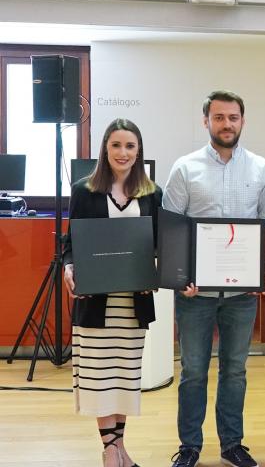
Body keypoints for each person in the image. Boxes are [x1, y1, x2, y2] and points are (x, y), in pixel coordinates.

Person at [163, 90, 265, 467]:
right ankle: (190, 446)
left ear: (242, 121)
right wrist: (181, 276)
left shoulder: (261, 169)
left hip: (241, 294)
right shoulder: (185, 168)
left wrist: (262, 264)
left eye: (233, 117)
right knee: (193, 370)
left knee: (235, 369)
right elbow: (171, 227)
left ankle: (232, 444)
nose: (226, 124)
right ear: (206, 121)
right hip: (195, 293)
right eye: (219, 117)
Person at [62, 118, 162, 467]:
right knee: (98, 377)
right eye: (116, 145)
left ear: (139, 152)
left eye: (130, 146)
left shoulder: (152, 193)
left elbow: (158, 244)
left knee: (123, 376)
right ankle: (109, 451)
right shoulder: (84, 190)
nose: (123, 152)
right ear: (105, 148)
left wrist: (159, 267)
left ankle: (119, 449)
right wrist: (69, 266)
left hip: (132, 304)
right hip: (96, 302)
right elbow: (70, 243)